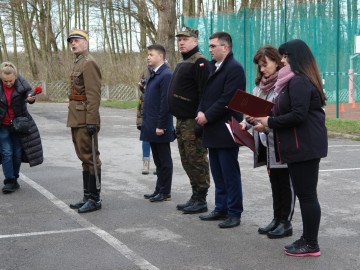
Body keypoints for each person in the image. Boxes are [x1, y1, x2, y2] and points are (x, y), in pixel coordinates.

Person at [255, 39, 327, 257]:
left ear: (296, 58)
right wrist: (265, 122)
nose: (282, 60)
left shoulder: (299, 82)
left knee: (307, 196)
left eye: (285, 56)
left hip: (304, 147)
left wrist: (270, 122)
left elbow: (297, 115)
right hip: (300, 146)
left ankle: (311, 243)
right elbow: (286, 111)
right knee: (306, 195)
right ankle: (307, 238)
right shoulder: (293, 82)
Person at [239, 46, 295, 238]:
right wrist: (246, 122)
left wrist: (267, 124)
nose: (262, 70)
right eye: (259, 66)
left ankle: (285, 222)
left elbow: (285, 115)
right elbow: (255, 113)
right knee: (275, 182)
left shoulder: (285, 84)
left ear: (278, 61)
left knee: (285, 183)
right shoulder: (259, 87)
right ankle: (276, 218)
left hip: (281, 142)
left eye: (265, 65)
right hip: (266, 143)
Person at [196, 32, 246, 229]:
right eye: (209, 46)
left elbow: (227, 99)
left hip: (226, 129)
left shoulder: (234, 69)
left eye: (213, 46)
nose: (209, 49)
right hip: (212, 129)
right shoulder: (214, 67)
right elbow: (206, 94)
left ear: (225, 47)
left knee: (229, 172)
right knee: (217, 171)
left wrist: (206, 115)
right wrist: (200, 109)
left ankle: (234, 212)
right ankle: (221, 207)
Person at [167, 26, 211, 214]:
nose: (181, 42)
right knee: (186, 159)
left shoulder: (200, 62)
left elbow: (205, 93)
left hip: (193, 122)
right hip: (181, 121)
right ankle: (195, 195)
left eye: (185, 39)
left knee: (197, 159)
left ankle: (201, 198)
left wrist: (201, 120)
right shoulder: (183, 62)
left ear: (195, 41)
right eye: (179, 39)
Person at [67, 29, 103, 213]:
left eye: (77, 40)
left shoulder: (89, 63)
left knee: (90, 158)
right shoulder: (78, 62)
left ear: (86, 42)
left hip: (84, 117)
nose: (73, 43)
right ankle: (87, 196)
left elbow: (93, 95)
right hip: (76, 115)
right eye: (71, 41)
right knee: (83, 157)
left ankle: (95, 198)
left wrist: (91, 120)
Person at [0, 62, 43, 193]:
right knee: (6, 153)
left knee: (17, 153)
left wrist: (31, 98)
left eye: (10, 81)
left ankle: (15, 178)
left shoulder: (21, 83)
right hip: (3, 125)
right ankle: (10, 180)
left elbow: (29, 93)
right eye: (5, 81)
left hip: (19, 125)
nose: (8, 83)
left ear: (15, 77)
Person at [141, 44, 174, 202]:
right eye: (148, 54)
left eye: (151, 54)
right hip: (151, 124)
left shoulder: (166, 74)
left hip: (159, 126)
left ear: (160, 56)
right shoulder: (153, 74)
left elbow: (165, 103)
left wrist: (161, 125)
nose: (148, 57)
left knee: (164, 160)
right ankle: (158, 189)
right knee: (158, 160)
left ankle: (165, 191)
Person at [136, 66, 152, 175]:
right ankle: (146, 164)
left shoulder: (165, 69)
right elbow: (143, 90)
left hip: (157, 110)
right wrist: (141, 87)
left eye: (151, 55)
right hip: (145, 107)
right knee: (145, 138)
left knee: (159, 141)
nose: (149, 57)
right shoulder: (145, 70)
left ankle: (159, 164)